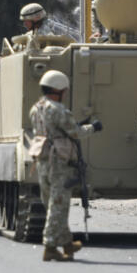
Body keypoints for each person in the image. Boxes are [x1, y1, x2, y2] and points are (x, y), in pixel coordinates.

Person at [29, 70, 101, 261]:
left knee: (52, 203)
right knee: (58, 204)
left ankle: (67, 242)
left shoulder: (37, 108)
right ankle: (50, 246)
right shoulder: (57, 109)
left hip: (43, 160)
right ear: (58, 89)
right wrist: (93, 127)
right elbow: (75, 133)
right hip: (59, 163)